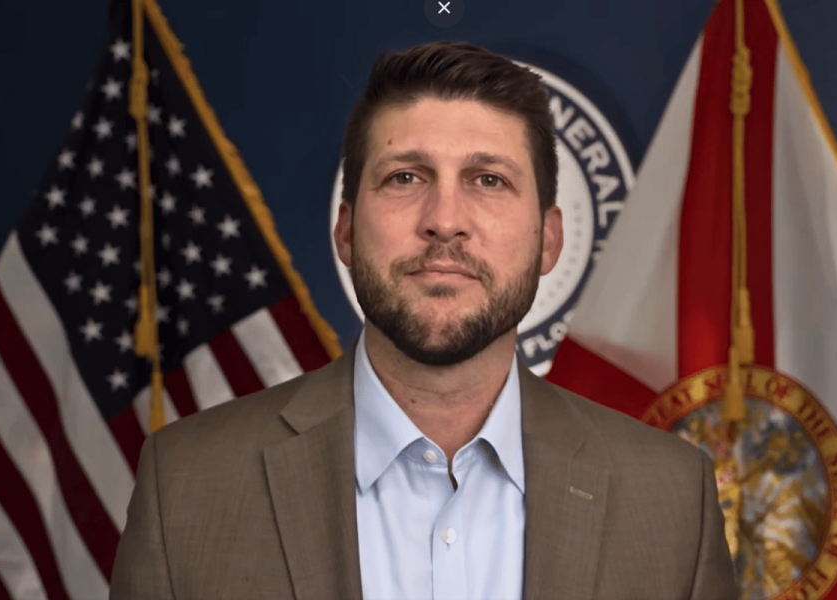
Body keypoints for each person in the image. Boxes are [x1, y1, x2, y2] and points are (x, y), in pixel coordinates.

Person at [110, 41, 736, 599]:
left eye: (488, 179)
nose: (444, 218)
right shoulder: (187, 488)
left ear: (548, 240)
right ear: (347, 230)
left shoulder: (672, 502)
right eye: (405, 176)